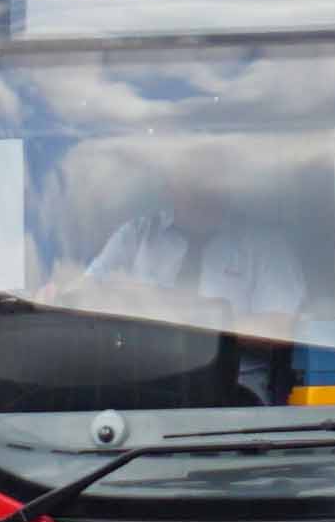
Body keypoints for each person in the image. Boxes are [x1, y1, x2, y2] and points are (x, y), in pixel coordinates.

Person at [68, 170, 311, 401]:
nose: (201, 191)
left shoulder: (266, 245)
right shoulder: (136, 235)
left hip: (236, 386)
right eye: (189, 180)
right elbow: (85, 295)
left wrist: (183, 314)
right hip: (142, 381)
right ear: (169, 185)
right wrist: (61, 293)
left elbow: (278, 330)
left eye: (209, 181)